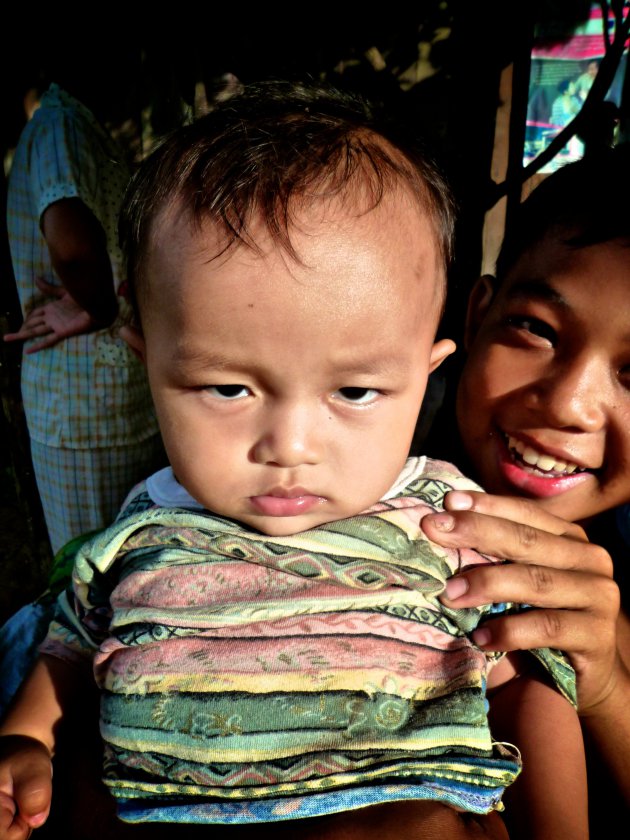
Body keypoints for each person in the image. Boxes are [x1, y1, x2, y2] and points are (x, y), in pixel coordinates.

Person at [0, 81, 585, 840]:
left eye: (355, 390)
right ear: (146, 359)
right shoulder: (136, 536)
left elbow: (527, 691)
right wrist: (23, 740)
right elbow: (69, 652)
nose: (290, 446)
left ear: (426, 371)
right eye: (228, 386)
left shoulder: (452, 527)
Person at [420, 144, 630, 831]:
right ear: (477, 317)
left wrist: (604, 690)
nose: (569, 403)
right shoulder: (322, 491)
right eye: (537, 329)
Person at [3, 79, 164, 556]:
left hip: (102, 394)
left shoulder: (73, 123)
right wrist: (99, 309)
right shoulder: (60, 124)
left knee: (120, 560)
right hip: (84, 398)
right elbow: (71, 246)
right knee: (94, 568)